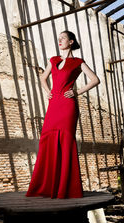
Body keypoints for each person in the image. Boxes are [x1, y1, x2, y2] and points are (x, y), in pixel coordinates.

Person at [26, 31, 100, 199]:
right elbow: (42, 78)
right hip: (54, 104)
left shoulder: (78, 62)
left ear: (71, 42)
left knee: (65, 141)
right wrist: (48, 92)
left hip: (68, 106)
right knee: (47, 140)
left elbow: (95, 80)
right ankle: (44, 187)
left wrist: (77, 91)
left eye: (63, 38)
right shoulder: (53, 60)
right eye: (58, 38)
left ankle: (65, 189)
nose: (59, 40)